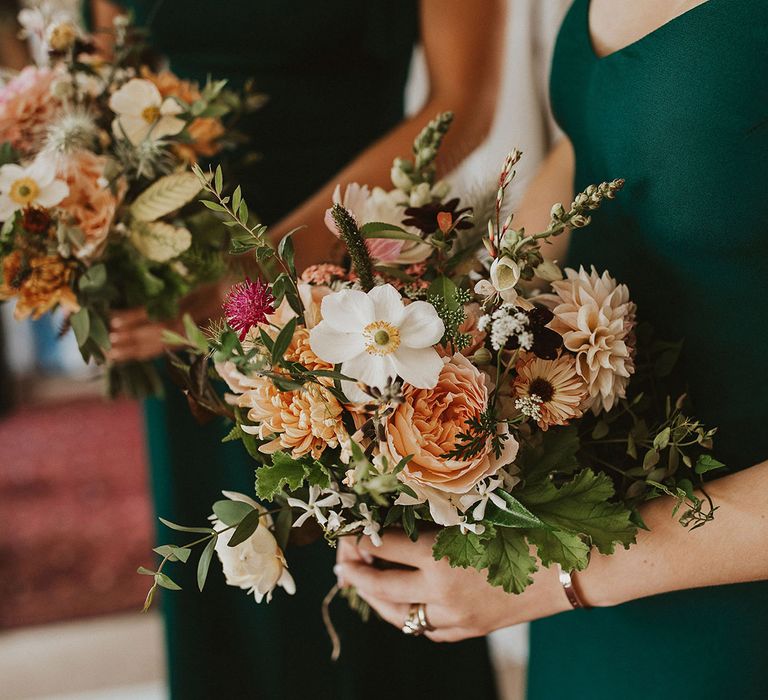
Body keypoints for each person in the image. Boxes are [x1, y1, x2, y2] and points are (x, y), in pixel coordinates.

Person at [335, 1, 768, 698]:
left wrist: (559, 571)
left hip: (717, 584)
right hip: (585, 509)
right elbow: (595, 142)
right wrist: (456, 333)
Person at [92, 1, 508, 698]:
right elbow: (112, 74)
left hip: (353, 269)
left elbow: (463, 100)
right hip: (184, 282)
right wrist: (102, 248)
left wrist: (264, 266)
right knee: (224, 574)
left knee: (363, 579)